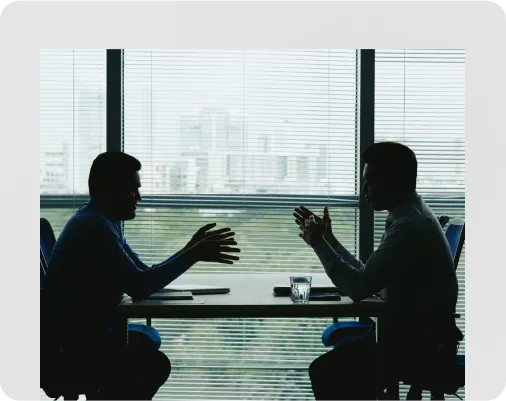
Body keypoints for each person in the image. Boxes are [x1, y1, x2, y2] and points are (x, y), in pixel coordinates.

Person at [41, 151, 241, 401]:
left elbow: (143, 274)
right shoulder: (94, 227)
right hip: (75, 344)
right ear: (108, 191)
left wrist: (189, 249)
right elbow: (140, 286)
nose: (139, 197)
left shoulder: (103, 221)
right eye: (132, 190)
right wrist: (193, 255)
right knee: (153, 365)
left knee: (150, 360)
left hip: (83, 333)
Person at [294, 142, 460, 401]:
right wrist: (328, 240)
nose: (364, 191)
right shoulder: (411, 215)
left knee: (326, 373)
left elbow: (358, 287)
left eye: (370, 182)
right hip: (415, 336)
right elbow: (368, 275)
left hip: (413, 345)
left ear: (395, 182)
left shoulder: (407, 227)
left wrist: (318, 243)